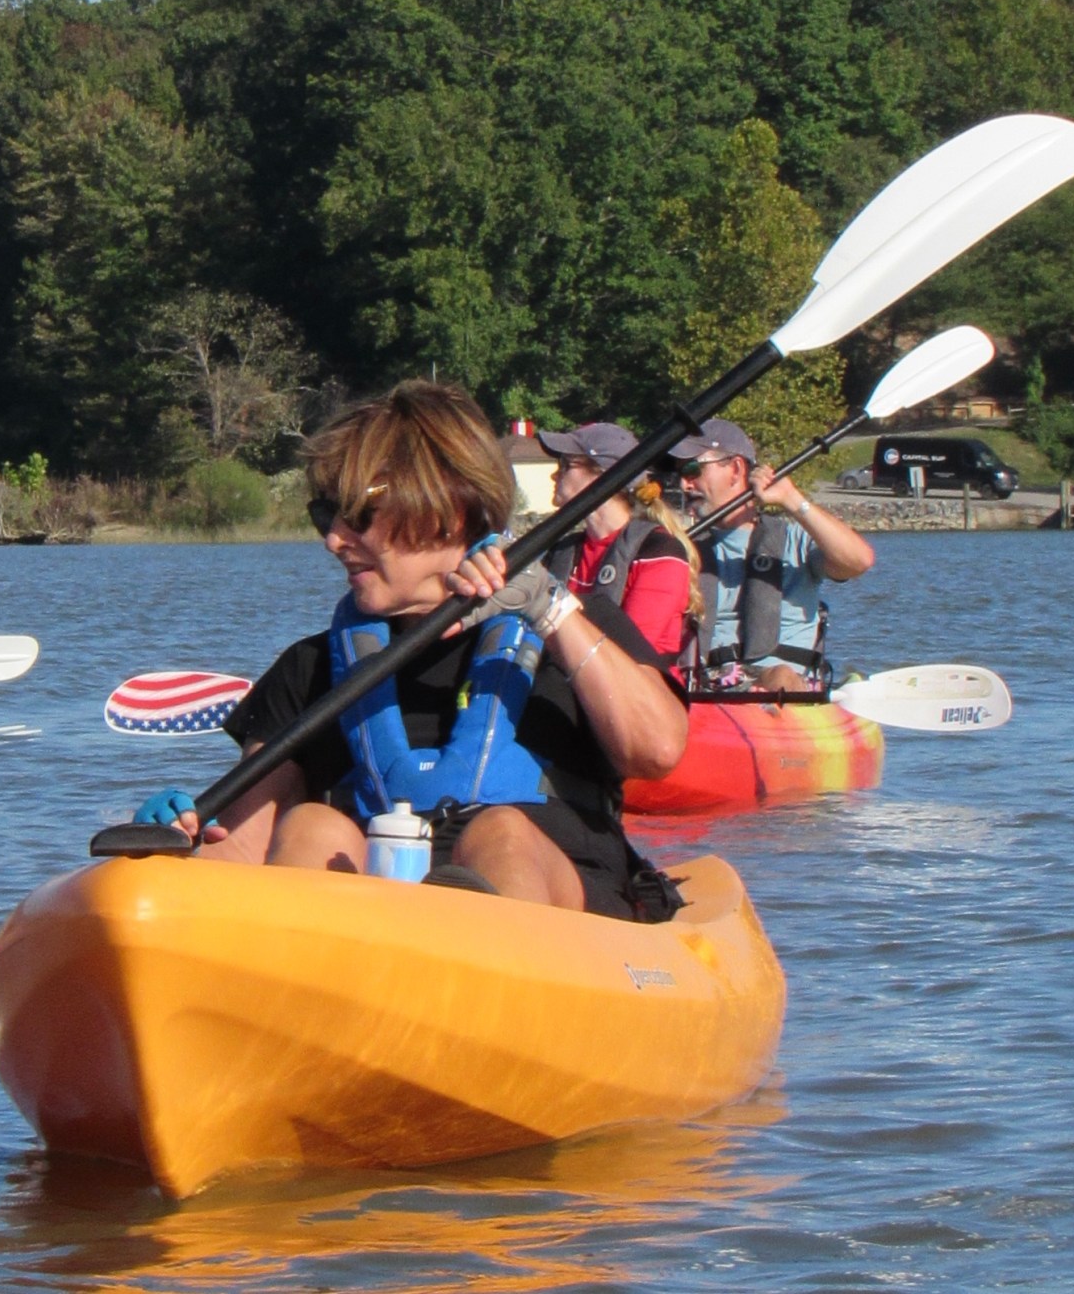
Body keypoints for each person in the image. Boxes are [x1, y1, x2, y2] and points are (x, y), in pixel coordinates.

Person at [134, 381, 688, 918]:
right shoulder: (308, 670)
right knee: (310, 829)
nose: (333, 539)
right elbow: (242, 851)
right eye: (326, 515)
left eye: (356, 513)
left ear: (444, 511)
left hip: (562, 914)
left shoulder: (576, 626)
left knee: (499, 835)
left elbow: (658, 751)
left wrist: (549, 608)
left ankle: (486, 965)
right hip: (378, 936)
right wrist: (173, 856)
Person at [678, 418, 875, 694]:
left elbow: (859, 561)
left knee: (780, 675)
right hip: (710, 696)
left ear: (735, 469)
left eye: (692, 470)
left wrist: (791, 499)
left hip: (783, 691)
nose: (684, 484)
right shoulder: (681, 551)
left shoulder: (794, 541)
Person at [537, 422, 700, 683]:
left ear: (603, 476)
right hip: (567, 687)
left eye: (566, 466)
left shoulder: (660, 552)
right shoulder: (562, 551)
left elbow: (629, 652)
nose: (555, 476)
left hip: (637, 699)